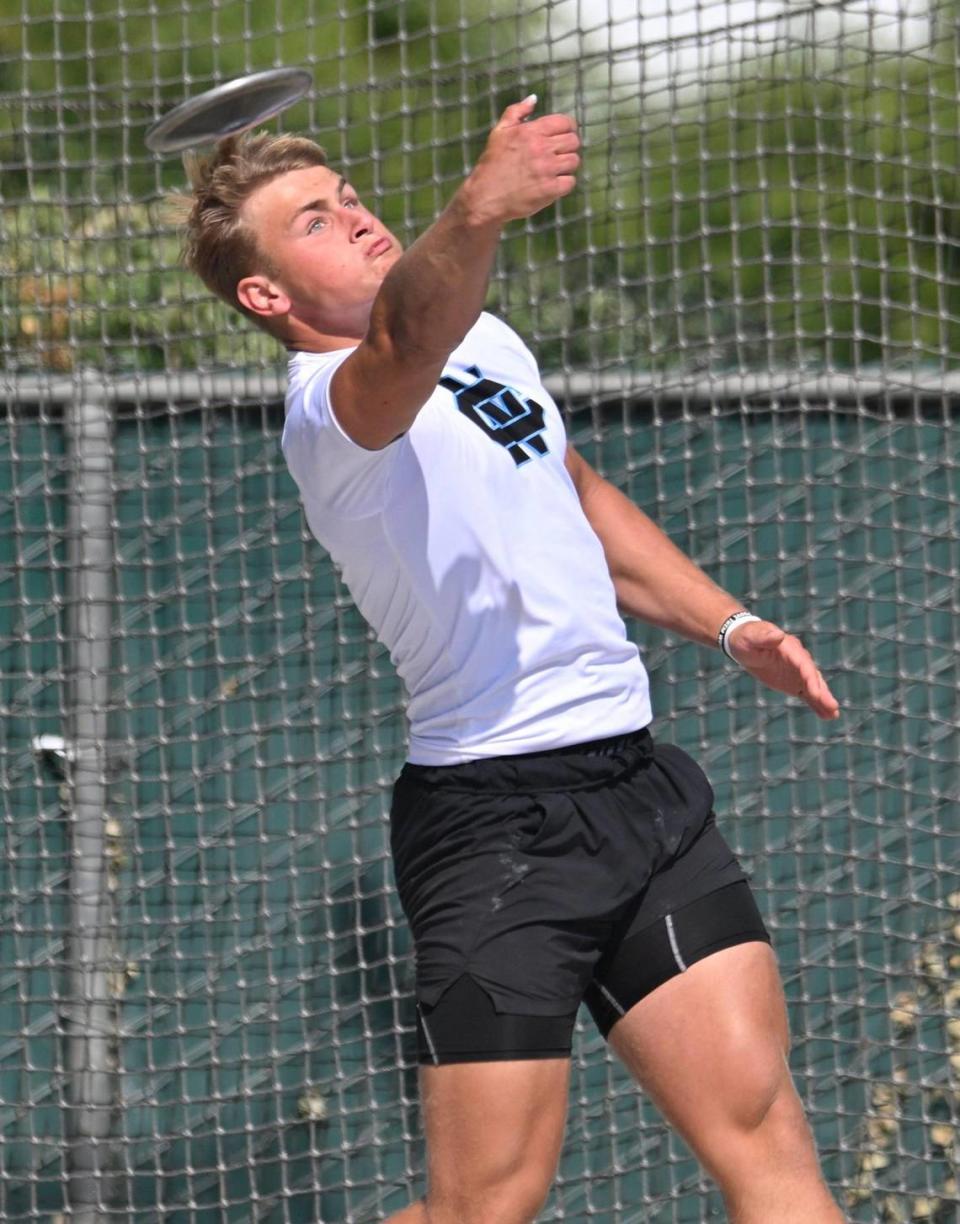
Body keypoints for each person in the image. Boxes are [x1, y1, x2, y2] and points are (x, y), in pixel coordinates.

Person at [179, 96, 845, 1223]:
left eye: (347, 196)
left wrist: (733, 626)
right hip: (496, 826)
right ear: (265, 295)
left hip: (639, 795)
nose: (353, 217)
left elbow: (570, 490)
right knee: (483, 1208)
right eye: (313, 220)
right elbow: (402, 340)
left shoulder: (484, 337)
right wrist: (480, 205)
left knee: (767, 1151)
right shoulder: (329, 414)